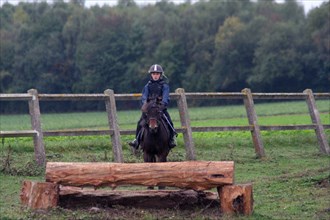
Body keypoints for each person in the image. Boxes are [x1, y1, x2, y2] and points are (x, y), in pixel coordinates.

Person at [129, 64, 177, 149]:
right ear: (151, 75)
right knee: (140, 122)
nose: (155, 75)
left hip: (160, 109)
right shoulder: (147, 86)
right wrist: (146, 104)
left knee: (169, 121)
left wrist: (162, 104)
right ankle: (136, 140)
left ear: (160, 75)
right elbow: (144, 97)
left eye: (157, 74)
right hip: (150, 110)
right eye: (154, 74)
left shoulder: (165, 86)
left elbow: (166, 97)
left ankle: (171, 139)